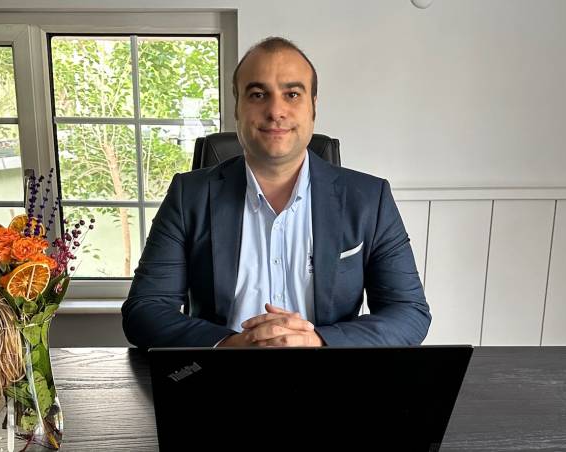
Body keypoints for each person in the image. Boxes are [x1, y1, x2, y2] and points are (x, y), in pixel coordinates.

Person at [122, 37, 430, 349]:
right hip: (222, 372)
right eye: (258, 95)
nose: (275, 110)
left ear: (313, 106)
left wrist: (317, 341)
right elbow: (145, 311)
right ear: (237, 108)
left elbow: (409, 313)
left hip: (328, 371)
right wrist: (232, 345)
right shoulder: (189, 195)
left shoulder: (369, 198)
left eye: (292, 94)